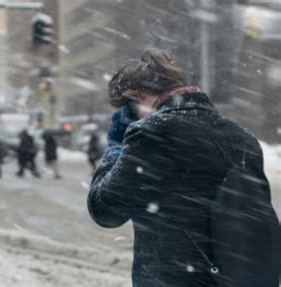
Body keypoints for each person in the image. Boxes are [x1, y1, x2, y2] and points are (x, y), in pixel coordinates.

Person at [87, 48, 280, 286]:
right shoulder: (242, 138)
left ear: (136, 96)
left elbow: (105, 210)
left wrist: (116, 144)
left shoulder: (153, 133)